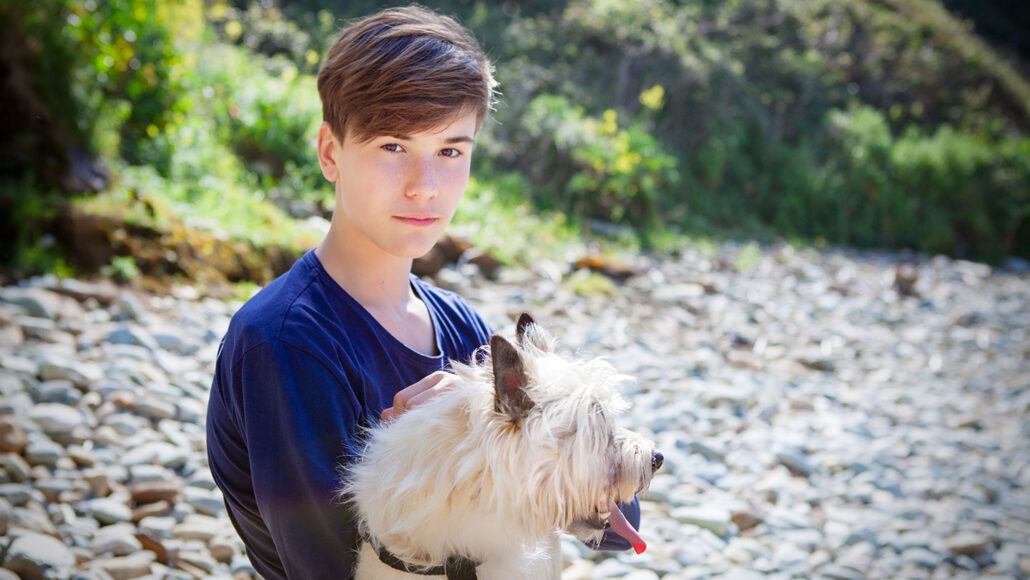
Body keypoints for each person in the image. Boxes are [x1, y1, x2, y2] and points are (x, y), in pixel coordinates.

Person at [205, 5, 640, 578]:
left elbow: (607, 527)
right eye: (393, 147)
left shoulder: (460, 325)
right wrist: (431, 450)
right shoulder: (284, 342)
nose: (424, 187)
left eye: (451, 151)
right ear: (330, 152)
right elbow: (326, 567)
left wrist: (566, 432)